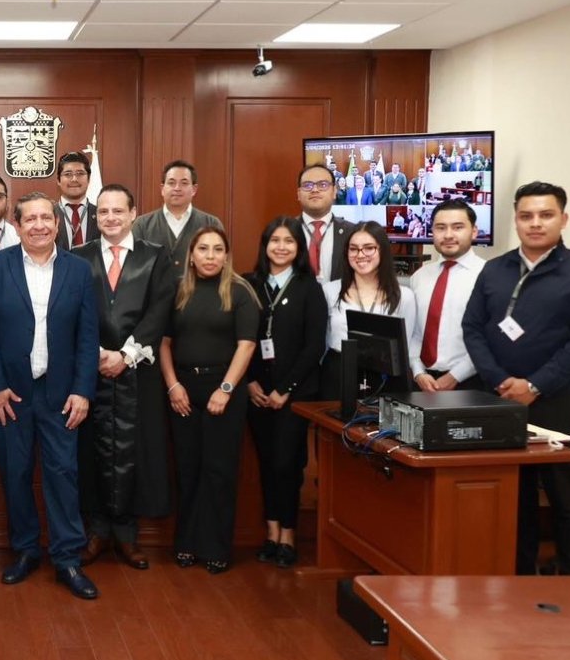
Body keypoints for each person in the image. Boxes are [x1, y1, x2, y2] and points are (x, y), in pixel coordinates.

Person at [0, 192, 100, 600]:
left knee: (63, 474)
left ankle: (67, 558)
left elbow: (88, 336)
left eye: (47, 218)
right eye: (31, 219)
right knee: (16, 472)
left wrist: (82, 390)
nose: (39, 225)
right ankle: (25, 550)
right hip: (10, 394)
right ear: (18, 225)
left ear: (57, 224)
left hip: (61, 394)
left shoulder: (78, 270)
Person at [463, 181, 570, 575]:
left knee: (567, 496)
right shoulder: (494, 269)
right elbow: (473, 328)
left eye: (546, 215)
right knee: (514, 494)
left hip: (560, 401)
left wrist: (534, 385)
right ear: (515, 220)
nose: (535, 223)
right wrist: (500, 381)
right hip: (500, 399)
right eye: (526, 215)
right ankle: (518, 576)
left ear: (563, 219)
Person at [74, 184, 172, 570]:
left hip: (139, 372)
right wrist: (98, 353)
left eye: (118, 210)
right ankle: (97, 531)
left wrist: (126, 355)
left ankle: (128, 536)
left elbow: (160, 309)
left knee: (135, 452)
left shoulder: (155, 256)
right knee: (92, 451)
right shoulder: (78, 257)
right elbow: (72, 311)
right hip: (91, 372)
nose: (110, 218)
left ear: (133, 213)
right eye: (103, 211)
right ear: (95, 217)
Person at [160, 227, 259, 574]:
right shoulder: (177, 290)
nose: (210, 256)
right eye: (203, 249)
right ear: (191, 254)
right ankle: (186, 544)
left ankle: (217, 548)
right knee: (187, 469)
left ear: (226, 256)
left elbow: (247, 345)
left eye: (218, 249)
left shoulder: (240, 291)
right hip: (182, 391)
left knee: (219, 471)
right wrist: (173, 386)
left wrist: (226, 389)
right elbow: (164, 343)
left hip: (224, 391)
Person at [244, 217, 327, 569]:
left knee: (287, 464)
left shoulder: (310, 288)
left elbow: (314, 346)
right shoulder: (249, 284)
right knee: (266, 463)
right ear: (265, 245)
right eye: (274, 240)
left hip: (295, 395)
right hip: (256, 392)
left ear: (299, 248)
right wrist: (250, 383)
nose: (281, 247)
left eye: (288, 241)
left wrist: (284, 389)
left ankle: (289, 535)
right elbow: (239, 339)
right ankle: (271, 533)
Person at [320, 222, 420, 400]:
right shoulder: (330, 291)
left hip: (384, 377)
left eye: (369, 248)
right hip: (338, 373)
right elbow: (322, 341)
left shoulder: (404, 296)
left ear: (383, 250)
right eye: (353, 249)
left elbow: (406, 344)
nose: (360, 255)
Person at [411, 200, 485, 393]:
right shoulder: (419, 277)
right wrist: (418, 372)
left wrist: (455, 376)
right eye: (441, 228)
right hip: (422, 382)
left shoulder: (489, 275)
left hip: (471, 383)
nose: (448, 235)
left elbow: (491, 338)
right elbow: (415, 332)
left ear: (474, 232)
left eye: (458, 227)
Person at [132, 160, 224, 282]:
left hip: (200, 291)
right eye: (171, 183)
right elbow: (133, 268)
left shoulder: (211, 223)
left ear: (194, 189)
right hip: (153, 294)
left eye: (184, 183)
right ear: (162, 189)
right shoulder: (142, 225)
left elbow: (221, 266)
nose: (177, 188)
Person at [296, 163, 351, 283]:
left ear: (334, 191)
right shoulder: (285, 231)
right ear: (298, 193)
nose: (315, 190)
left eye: (323, 185)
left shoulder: (352, 232)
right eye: (307, 185)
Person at [54, 152, 97, 250]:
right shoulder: (49, 214)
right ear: (58, 180)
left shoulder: (101, 214)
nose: (74, 179)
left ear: (89, 179)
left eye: (80, 174)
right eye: (68, 174)